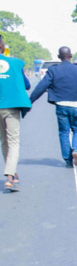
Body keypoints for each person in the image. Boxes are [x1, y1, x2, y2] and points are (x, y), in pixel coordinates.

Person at [29, 46, 77, 167]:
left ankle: (68, 160)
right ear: (71, 56)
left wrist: (30, 100)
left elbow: (42, 86)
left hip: (61, 105)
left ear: (59, 57)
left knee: (64, 132)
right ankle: (76, 149)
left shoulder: (53, 70)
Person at [0, 36, 32, 190]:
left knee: (4, 141)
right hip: (11, 107)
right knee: (13, 141)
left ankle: (12, 172)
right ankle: (10, 177)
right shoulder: (15, 63)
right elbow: (27, 84)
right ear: (2, 46)